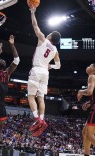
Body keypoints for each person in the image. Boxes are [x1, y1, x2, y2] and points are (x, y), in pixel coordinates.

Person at [28, 7, 61, 137]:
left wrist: (32, 12)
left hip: (36, 70)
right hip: (45, 73)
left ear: (50, 36)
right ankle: (42, 119)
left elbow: (35, 25)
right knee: (40, 98)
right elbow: (58, 65)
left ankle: (37, 119)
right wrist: (50, 66)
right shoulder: (55, 50)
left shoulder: (43, 39)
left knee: (31, 97)